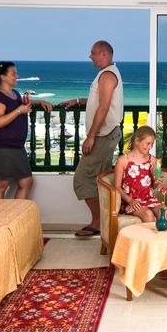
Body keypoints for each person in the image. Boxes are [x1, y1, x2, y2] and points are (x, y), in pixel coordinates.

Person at [60, 40, 124, 237]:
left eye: (93, 53)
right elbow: (100, 102)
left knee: (82, 178)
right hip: (106, 134)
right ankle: (106, 222)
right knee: (101, 179)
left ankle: (98, 222)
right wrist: (79, 101)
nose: (90, 56)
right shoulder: (107, 73)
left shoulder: (107, 75)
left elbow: (103, 108)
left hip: (103, 136)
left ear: (104, 54)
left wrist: (90, 137)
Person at [0, 61, 51, 199]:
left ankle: (16, 212)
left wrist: (39, 102)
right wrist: (19, 111)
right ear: (3, 77)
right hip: (1, 146)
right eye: (13, 74)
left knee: (26, 182)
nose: (17, 76)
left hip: (16, 147)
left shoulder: (14, 93)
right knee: (1, 185)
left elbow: (19, 105)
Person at [115, 126, 162, 224]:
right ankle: (148, 235)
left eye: (152, 144)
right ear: (137, 141)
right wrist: (130, 201)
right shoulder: (123, 160)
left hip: (150, 199)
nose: (150, 147)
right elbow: (117, 187)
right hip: (131, 202)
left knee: (164, 212)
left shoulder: (153, 160)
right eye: (148, 143)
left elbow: (153, 186)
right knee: (148, 214)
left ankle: (163, 234)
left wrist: (156, 180)